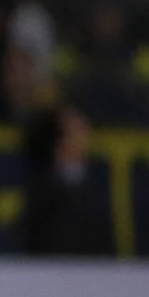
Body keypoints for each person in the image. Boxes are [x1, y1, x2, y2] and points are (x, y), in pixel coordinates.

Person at [20, 104, 116, 256]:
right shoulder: (44, 196)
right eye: (76, 126)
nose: (86, 127)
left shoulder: (101, 184)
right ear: (60, 141)